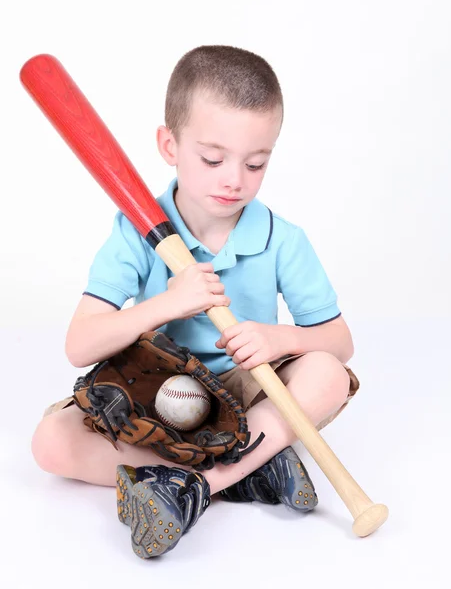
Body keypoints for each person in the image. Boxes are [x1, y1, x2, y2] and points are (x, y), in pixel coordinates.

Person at [31, 45, 359, 558]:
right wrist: (165, 305)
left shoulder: (282, 238)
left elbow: (339, 343)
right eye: (212, 158)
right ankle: (250, 472)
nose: (234, 179)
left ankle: (192, 489)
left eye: (256, 163)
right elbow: (80, 345)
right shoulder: (133, 231)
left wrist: (280, 337)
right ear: (169, 145)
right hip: (159, 389)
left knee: (327, 375)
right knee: (49, 443)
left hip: (247, 393)